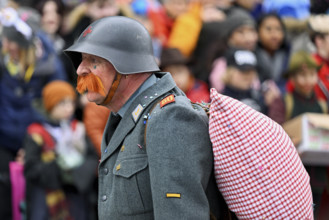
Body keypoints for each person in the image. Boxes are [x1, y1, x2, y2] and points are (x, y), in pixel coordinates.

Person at [64, 16, 232, 219]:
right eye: (82, 59)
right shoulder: (125, 115)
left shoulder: (170, 118)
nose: (81, 69)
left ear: (126, 65)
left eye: (94, 61)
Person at [0, 7, 66, 220]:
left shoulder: (50, 66)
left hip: (35, 145)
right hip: (3, 140)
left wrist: (31, 144)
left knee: (34, 203)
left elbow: (59, 108)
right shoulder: (4, 60)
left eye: (12, 42)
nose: (6, 45)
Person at [24, 80, 98, 220]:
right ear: (50, 105)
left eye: (71, 103)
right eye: (62, 103)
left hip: (77, 197)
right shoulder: (36, 133)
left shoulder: (78, 129)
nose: (69, 108)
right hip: (46, 201)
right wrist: (60, 170)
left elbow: (92, 157)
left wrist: (76, 176)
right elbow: (31, 169)